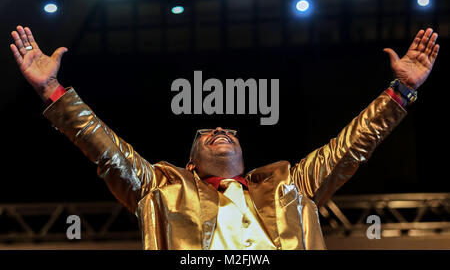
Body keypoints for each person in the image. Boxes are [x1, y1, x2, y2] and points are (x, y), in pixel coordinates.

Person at [9, 26, 440, 250]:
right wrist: (52, 91)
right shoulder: (160, 187)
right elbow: (103, 147)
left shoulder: (290, 184)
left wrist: (400, 92)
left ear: (244, 154)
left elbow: (352, 147)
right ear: (191, 162)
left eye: (229, 131)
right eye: (207, 131)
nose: (221, 130)